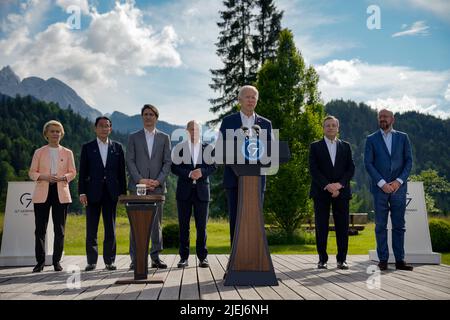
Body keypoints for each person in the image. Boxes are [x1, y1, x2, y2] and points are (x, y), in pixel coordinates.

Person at [218, 85, 272, 245]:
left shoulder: (265, 123)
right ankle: (235, 261)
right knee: (236, 219)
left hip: (257, 181)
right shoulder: (228, 121)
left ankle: (255, 258)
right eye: (247, 97)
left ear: (257, 100)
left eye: (253, 97)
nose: (250, 100)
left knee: (255, 220)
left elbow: (272, 152)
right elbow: (220, 150)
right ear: (240, 100)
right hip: (234, 180)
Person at [364, 109, 414, 271]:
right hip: (380, 190)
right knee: (380, 225)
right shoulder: (371, 139)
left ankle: (400, 260)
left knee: (399, 225)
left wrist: (398, 182)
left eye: (385, 116)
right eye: (380, 117)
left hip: (398, 189)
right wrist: (381, 183)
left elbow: (408, 162)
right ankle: (383, 260)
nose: (382, 119)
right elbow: (368, 163)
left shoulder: (403, 137)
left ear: (392, 119)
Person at [126, 104, 172, 269]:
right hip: (137, 187)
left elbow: (167, 162)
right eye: (145, 114)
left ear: (156, 117)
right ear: (142, 117)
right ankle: (136, 259)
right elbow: (129, 160)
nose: (148, 117)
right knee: (136, 224)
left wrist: (158, 181)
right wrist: (140, 180)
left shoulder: (165, 137)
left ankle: (155, 257)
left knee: (156, 224)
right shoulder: (133, 137)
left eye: (151, 114)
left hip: (157, 188)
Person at [79, 116, 127, 271]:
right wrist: (82, 192)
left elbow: (121, 172)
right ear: (95, 128)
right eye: (101, 126)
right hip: (92, 193)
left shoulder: (117, 147)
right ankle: (91, 261)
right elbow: (83, 172)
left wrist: (122, 193)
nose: (104, 128)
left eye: (107, 126)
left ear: (110, 129)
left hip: (111, 193)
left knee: (110, 228)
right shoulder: (87, 147)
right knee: (91, 228)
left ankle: (110, 261)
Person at [28, 120, 77, 272]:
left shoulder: (68, 152)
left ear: (62, 134)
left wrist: (63, 178)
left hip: (61, 192)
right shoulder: (39, 152)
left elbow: (73, 172)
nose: (55, 134)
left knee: (60, 229)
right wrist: (44, 177)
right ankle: (40, 262)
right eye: (52, 131)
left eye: (58, 131)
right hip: (43, 192)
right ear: (46, 134)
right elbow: (31, 173)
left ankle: (56, 262)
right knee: (40, 229)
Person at [309, 116, 355, 270]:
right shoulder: (315, 146)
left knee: (342, 227)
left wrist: (339, 185)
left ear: (338, 128)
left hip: (342, 192)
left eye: (333, 125)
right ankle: (322, 259)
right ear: (323, 128)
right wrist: (328, 186)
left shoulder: (346, 146)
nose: (330, 128)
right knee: (321, 226)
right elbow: (314, 170)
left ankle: (342, 260)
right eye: (327, 125)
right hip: (321, 192)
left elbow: (350, 169)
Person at [171, 121, 217, 268]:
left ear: (200, 131)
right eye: (191, 129)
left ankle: (203, 257)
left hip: (202, 192)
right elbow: (174, 167)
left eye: (196, 129)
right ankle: (183, 258)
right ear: (186, 131)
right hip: (184, 192)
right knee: (184, 226)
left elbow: (213, 166)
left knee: (201, 226)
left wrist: (201, 172)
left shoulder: (208, 148)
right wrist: (190, 173)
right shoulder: (179, 148)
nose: (194, 131)